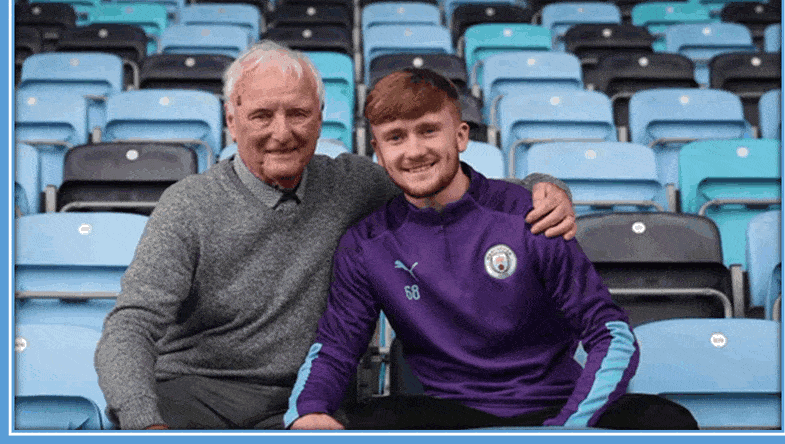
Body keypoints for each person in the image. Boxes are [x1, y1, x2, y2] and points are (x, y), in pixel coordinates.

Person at [94, 41, 578, 430]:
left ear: (321, 118)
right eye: (262, 115)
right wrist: (144, 425)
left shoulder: (352, 183)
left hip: (315, 402)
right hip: (199, 398)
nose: (281, 132)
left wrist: (541, 187)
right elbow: (130, 326)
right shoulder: (188, 204)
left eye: (298, 114)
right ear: (231, 120)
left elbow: (443, 182)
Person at [285, 69, 699, 430]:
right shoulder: (366, 243)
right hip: (448, 412)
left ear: (461, 135)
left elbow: (610, 334)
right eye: (395, 138)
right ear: (378, 153)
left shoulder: (532, 215)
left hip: (552, 402)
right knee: (352, 428)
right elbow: (337, 346)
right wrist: (308, 409)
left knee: (668, 421)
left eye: (429, 130)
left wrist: (568, 427)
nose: (413, 151)